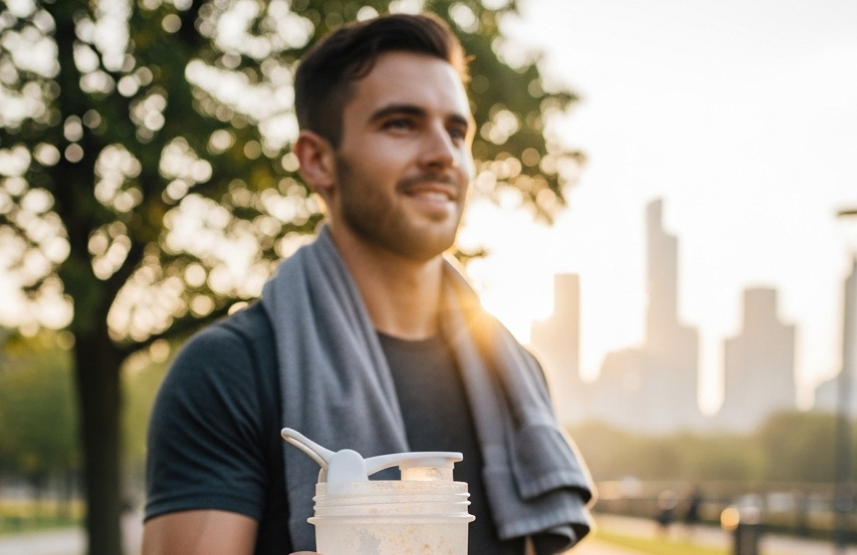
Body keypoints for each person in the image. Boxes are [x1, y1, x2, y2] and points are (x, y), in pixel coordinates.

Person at [140, 12, 593, 555]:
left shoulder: (516, 372)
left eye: (457, 131)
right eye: (401, 123)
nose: (443, 155)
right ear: (317, 161)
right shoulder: (228, 372)